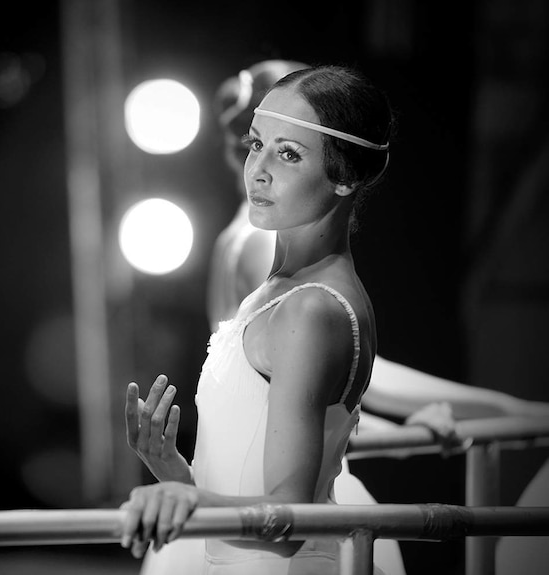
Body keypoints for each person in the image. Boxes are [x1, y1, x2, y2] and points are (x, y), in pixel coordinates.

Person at [119, 63, 394, 574]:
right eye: (255, 144)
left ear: (346, 177)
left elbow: (291, 521)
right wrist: (173, 473)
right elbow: (245, 510)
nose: (258, 169)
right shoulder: (278, 292)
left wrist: (190, 502)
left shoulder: (312, 309)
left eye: (288, 154)